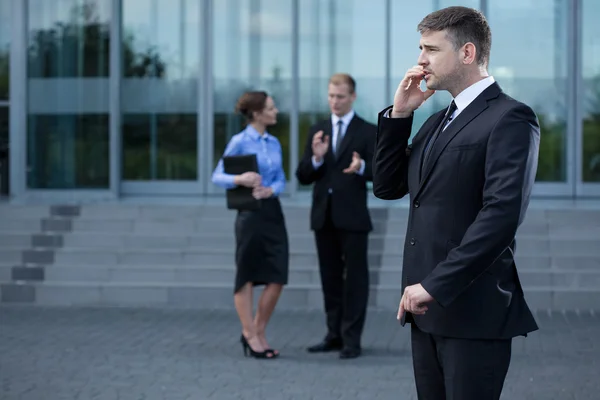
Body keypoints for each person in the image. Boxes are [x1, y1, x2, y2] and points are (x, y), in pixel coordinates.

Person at [372, 6, 540, 399]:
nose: (420, 60)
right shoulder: (435, 121)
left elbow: (501, 216)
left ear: (467, 53)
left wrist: (433, 285)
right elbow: (387, 187)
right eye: (420, 48)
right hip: (425, 311)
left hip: (471, 311)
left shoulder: (510, 117)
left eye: (431, 49)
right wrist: (400, 115)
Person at [296, 73, 376, 359]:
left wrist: (362, 166)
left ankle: (352, 339)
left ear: (352, 97)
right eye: (331, 96)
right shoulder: (318, 130)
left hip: (353, 219)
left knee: (355, 280)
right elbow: (303, 175)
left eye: (340, 96)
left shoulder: (367, 131)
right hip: (323, 218)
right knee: (330, 279)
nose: (335, 101)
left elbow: (381, 174)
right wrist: (316, 157)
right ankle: (334, 334)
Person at [212, 91, 288, 360]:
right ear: (257, 113)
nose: (276, 111)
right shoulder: (240, 141)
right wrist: (240, 179)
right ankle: (250, 333)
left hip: (272, 212)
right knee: (246, 273)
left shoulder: (274, 142)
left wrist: (272, 190)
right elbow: (217, 176)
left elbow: (282, 179)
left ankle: (257, 330)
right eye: (271, 107)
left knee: (278, 276)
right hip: (249, 215)